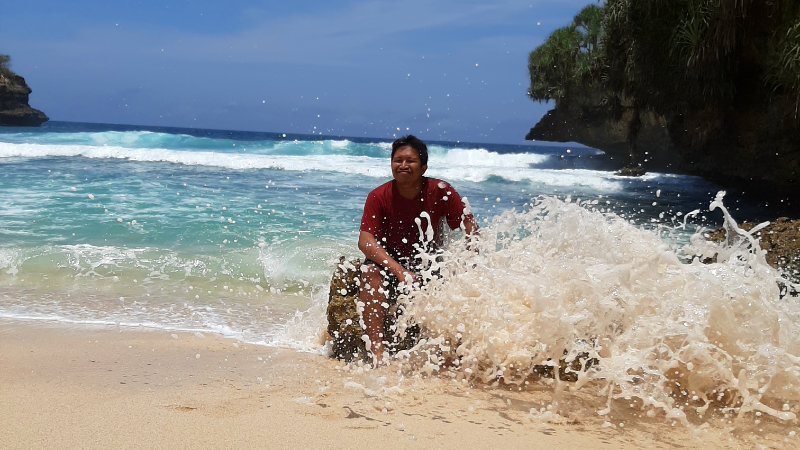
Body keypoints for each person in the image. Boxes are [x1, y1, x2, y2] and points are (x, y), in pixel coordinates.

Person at [358, 135, 478, 365]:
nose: (403, 165)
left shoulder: (441, 191)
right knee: (369, 273)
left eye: (410, 161)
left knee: (457, 285)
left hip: (429, 262)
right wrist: (399, 271)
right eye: (397, 160)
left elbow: (469, 228)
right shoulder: (378, 196)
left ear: (423, 167)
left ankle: (449, 353)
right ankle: (377, 350)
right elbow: (365, 241)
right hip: (389, 263)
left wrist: (469, 262)